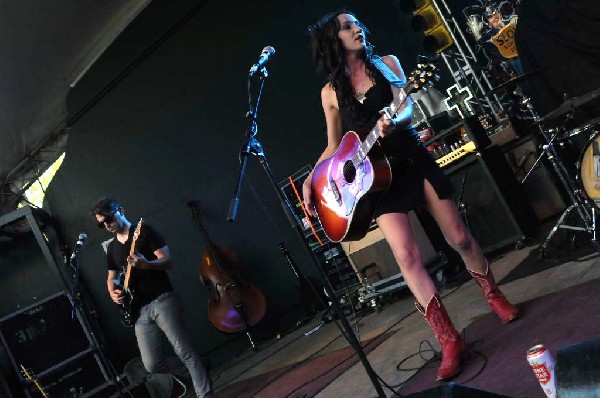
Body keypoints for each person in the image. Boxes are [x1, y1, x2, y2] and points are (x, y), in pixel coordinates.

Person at [302, 10, 519, 381]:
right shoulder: (330, 93)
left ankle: (494, 296)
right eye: (347, 26)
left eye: (358, 22)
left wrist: (390, 122)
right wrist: (311, 178)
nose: (358, 29)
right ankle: (449, 341)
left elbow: (407, 107)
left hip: (412, 158)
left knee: (459, 237)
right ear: (331, 40)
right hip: (379, 179)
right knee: (406, 256)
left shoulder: (387, 64)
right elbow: (333, 146)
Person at [90, 198, 213, 397]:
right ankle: (199, 368)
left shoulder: (144, 231)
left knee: (185, 352)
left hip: (162, 299)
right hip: (138, 311)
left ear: (120, 210)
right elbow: (111, 277)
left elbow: (168, 261)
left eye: (109, 219)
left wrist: (146, 264)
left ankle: (205, 393)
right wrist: (113, 292)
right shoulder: (112, 248)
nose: (106, 225)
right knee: (152, 365)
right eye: (101, 224)